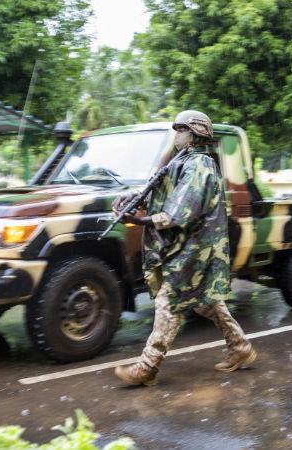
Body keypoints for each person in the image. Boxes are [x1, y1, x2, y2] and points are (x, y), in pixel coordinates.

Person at [112, 110, 256, 385]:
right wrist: (132, 199)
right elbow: (161, 190)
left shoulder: (200, 165)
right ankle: (240, 348)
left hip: (195, 247)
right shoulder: (182, 160)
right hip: (186, 245)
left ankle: (147, 367)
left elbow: (180, 211)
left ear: (194, 133)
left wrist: (140, 219)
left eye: (181, 129)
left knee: (170, 300)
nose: (176, 134)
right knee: (208, 303)